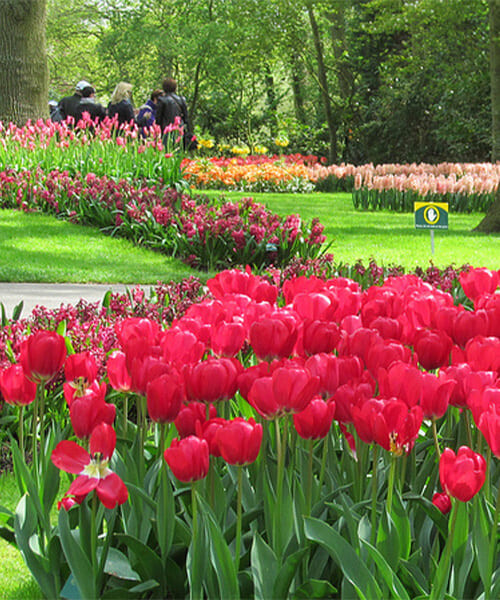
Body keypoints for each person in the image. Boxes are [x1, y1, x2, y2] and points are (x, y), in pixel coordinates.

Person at [155, 77, 197, 150]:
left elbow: (158, 119)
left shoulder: (162, 100)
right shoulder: (181, 100)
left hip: (167, 131)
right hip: (179, 130)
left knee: (167, 150)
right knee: (179, 151)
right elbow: (186, 118)